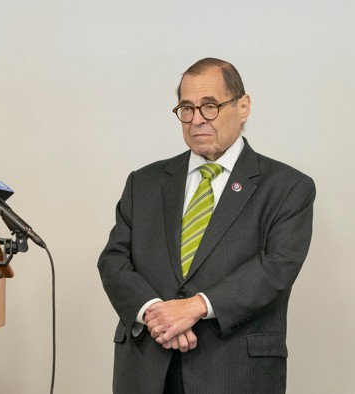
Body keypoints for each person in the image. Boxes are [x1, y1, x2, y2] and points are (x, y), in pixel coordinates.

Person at [97, 58, 315, 393]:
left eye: (210, 106)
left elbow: (275, 269)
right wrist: (156, 314)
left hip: (234, 371)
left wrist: (195, 306)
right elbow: (113, 260)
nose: (197, 119)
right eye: (186, 108)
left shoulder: (288, 187)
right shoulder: (144, 182)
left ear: (243, 106)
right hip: (147, 368)